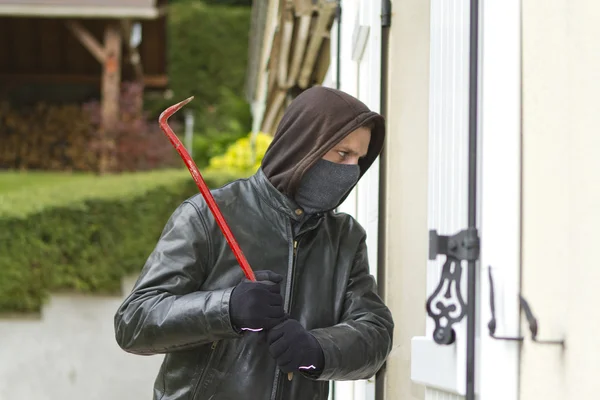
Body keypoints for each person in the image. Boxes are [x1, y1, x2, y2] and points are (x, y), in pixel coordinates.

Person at [114, 86, 394, 400]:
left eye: (359, 159)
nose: (351, 170)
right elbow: (134, 322)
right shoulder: (207, 215)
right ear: (304, 145)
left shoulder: (344, 237)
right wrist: (227, 308)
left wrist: (318, 349)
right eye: (342, 154)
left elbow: (376, 333)